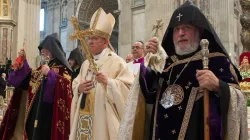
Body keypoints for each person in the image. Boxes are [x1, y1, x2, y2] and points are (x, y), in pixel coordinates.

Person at [118, 1, 248, 140]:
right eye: (176, 29)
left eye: (187, 27)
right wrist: (150, 62)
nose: (181, 33)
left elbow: (239, 99)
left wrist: (217, 85)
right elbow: (148, 93)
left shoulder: (216, 61)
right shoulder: (168, 64)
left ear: (199, 31)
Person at [70, 8, 134, 140]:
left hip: (103, 121)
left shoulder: (117, 62)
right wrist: (79, 88)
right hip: (83, 115)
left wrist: (109, 83)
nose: (90, 42)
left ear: (105, 42)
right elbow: (76, 83)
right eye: (89, 38)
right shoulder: (86, 64)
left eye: (95, 38)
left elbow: (130, 90)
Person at [0, 34, 72, 140]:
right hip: (36, 109)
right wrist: (24, 61)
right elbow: (30, 76)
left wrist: (50, 75)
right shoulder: (45, 66)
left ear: (52, 50)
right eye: (41, 49)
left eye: (44, 49)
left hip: (49, 113)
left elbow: (66, 85)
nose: (42, 51)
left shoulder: (62, 69)